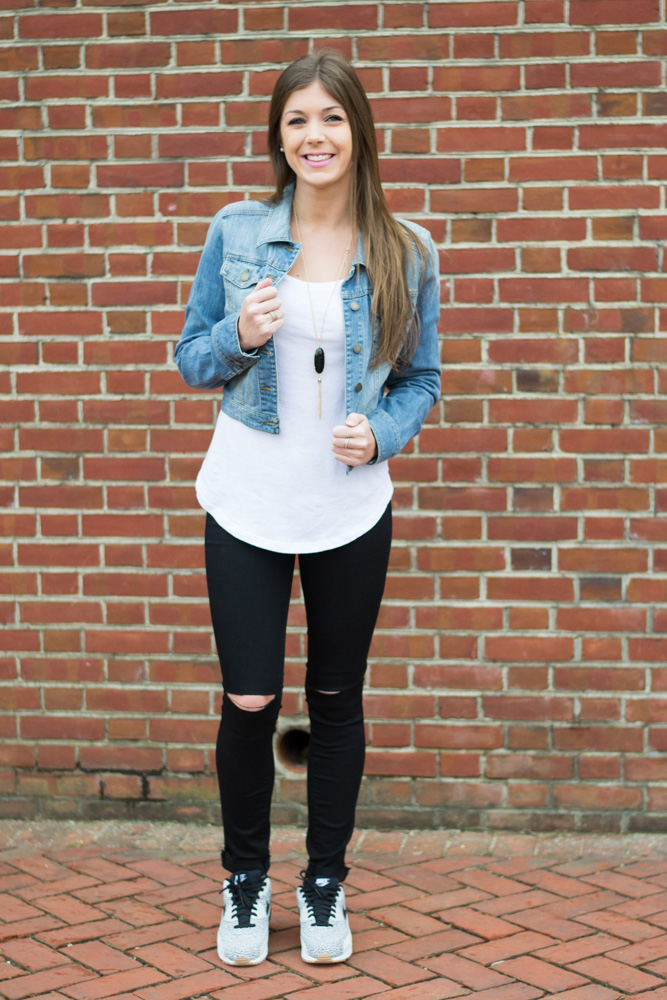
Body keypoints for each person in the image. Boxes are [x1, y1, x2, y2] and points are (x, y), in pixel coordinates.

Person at [174, 49, 441, 967]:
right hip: (246, 499)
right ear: (278, 138)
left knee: (334, 698)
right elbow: (190, 357)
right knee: (250, 698)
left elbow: (421, 380)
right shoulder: (237, 230)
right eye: (297, 120)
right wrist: (237, 335)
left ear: (357, 131)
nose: (314, 135)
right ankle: (244, 881)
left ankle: (323, 882)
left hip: (348, 508)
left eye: (330, 117)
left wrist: (383, 434)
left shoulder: (406, 250)